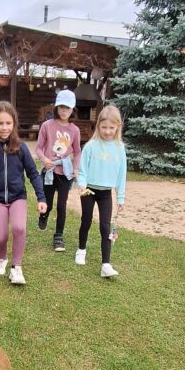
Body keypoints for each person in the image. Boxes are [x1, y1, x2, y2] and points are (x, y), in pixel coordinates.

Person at [0, 100, 47, 286]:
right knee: (0, 237)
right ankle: (2, 258)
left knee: (19, 228)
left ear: (14, 123)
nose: (4, 127)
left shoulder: (21, 147)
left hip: (18, 198)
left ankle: (16, 268)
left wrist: (41, 197)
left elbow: (33, 173)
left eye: (8, 123)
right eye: (0, 123)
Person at [75, 104, 127, 279]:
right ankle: (81, 249)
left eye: (111, 128)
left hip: (106, 193)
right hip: (89, 190)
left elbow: (121, 175)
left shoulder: (120, 149)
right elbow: (82, 170)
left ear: (118, 127)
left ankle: (106, 264)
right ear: (98, 126)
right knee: (86, 220)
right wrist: (82, 184)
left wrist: (120, 198)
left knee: (105, 226)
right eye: (104, 127)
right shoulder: (91, 146)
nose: (107, 131)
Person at [35, 88, 81, 252]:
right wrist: (44, 159)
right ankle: (44, 215)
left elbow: (77, 152)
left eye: (67, 107)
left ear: (72, 109)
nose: (64, 110)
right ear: (56, 107)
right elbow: (39, 148)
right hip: (49, 171)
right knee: (48, 203)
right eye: (61, 107)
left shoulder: (75, 130)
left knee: (62, 205)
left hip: (65, 173)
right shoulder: (47, 126)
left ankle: (58, 236)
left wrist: (76, 168)